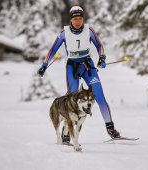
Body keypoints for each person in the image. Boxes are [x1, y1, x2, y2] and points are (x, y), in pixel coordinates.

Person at [37, 4, 120, 142]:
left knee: (99, 96)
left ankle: (110, 128)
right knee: (71, 100)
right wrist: (44, 65)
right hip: (72, 67)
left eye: (80, 18)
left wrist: (102, 58)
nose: (78, 21)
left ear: (83, 19)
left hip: (87, 66)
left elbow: (99, 46)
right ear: (71, 19)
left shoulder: (89, 31)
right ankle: (66, 133)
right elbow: (52, 50)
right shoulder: (64, 34)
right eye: (75, 19)